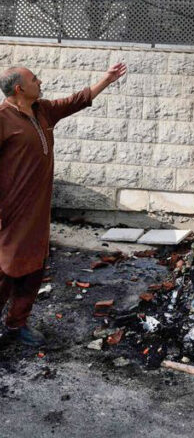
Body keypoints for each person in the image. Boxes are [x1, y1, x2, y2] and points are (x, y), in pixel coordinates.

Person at [0, 63, 127, 347]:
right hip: (10, 212)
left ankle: (17, 324)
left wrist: (106, 79)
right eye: (34, 79)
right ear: (19, 89)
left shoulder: (42, 110)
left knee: (34, 266)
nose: (40, 80)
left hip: (38, 211)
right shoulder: (3, 119)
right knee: (6, 269)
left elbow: (76, 101)